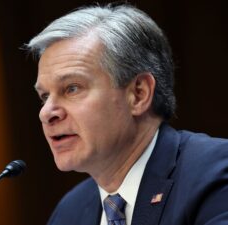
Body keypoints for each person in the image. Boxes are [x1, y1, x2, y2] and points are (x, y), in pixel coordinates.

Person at [26, 3, 228, 225]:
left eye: (72, 88)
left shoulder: (214, 174)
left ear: (138, 94)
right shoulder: (69, 213)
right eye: (44, 96)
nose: (46, 113)